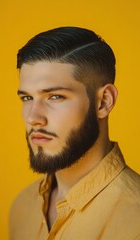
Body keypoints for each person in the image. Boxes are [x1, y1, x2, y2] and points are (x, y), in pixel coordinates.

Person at [9, 27, 140, 240]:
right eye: (27, 98)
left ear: (104, 102)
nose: (33, 118)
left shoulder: (135, 222)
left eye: (55, 97)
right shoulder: (22, 207)